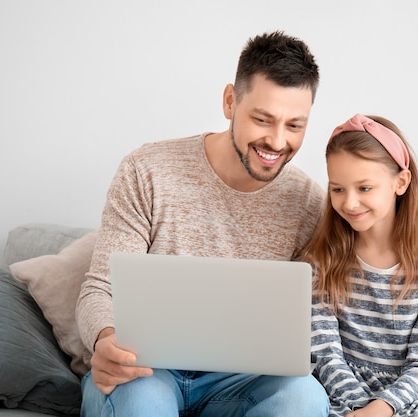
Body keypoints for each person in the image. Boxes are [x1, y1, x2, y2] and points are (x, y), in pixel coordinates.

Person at [76, 31, 330, 417]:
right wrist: (106, 340)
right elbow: (100, 288)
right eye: (262, 119)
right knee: (144, 398)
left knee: (306, 397)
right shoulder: (147, 171)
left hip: (241, 381)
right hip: (146, 369)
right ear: (230, 101)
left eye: (295, 126)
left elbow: (316, 314)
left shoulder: (309, 203)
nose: (277, 142)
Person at [300, 114, 418, 417]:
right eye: (338, 189)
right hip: (341, 394)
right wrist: (363, 408)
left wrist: (383, 408)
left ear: (400, 182)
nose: (349, 203)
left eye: (364, 188)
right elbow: (326, 356)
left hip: (410, 396)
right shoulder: (319, 263)